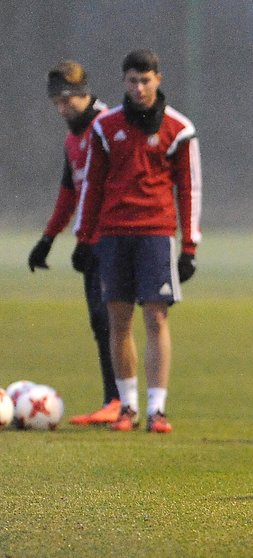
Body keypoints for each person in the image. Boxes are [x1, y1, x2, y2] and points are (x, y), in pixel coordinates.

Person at [73, 49, 202, 434]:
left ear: (158, 79)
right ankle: (126, 406)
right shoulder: (105, 127)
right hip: (114, 235)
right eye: (132, 81)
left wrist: (190, 246)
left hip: (156, 235)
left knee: (156, 318)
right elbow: (92, 186)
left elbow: (190, 189)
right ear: (124, 83)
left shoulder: (179, 129)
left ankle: (157, 409)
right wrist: (84, 237)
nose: (139, 88)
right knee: (118, 321)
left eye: (146, 80)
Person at [27, 60, 121, 425]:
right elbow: (70, 192)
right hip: (90, 239)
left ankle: (121, 401)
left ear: (85, 93)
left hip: (113, 237)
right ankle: (114, 400)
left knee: (114, 319)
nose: (62, 109)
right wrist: (48, 238)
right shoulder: (72, 138)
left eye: (67, 101)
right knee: (101, 321)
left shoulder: (109, 126)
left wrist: (91, 236)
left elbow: (111, 189)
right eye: (56, 103)